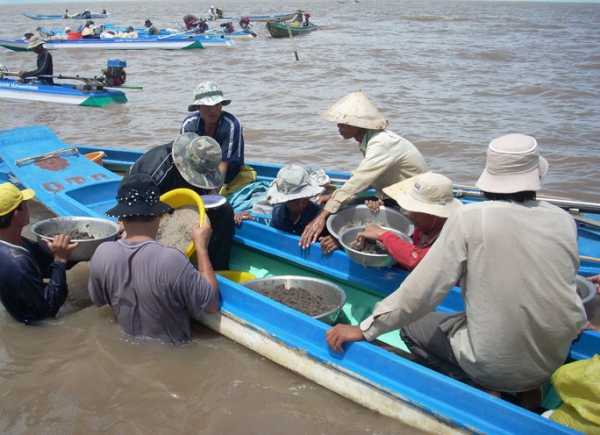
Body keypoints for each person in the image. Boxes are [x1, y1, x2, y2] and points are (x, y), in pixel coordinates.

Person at [326, 133, 587, 411]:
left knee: (412, 328)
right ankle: (530, 391)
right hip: (551, 359)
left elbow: (422, 293)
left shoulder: (471, 218)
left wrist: (365, 329)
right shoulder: (563, 220)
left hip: (494, 365)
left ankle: (481, 386)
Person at [88, 174, 220, 344]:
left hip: (127, 343)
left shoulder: (101, 254)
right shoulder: (171, 260)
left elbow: (99, 301)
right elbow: (210, 306)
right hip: (173, 354)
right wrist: (201, 248)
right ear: (158, 214)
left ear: (121, 218)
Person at [299, 90, 428, 249]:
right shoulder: (371, 141)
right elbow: (368, 179)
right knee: (345, 205)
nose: (339, 126)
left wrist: (322, 215)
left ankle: (341, 242)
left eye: (344, 122)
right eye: (338, 122)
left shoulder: (381, 144)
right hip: (393, 196)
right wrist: (334, 196)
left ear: (359, 123)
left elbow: (359, 180)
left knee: (343, 214)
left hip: (411, 206)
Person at [126, 133, 234, 271]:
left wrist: (210, 193)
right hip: (148, 200)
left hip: (182, 195)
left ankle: (217, 269)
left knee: (224, 210)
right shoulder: (155, 172)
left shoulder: (200, 158)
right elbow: (135, 206)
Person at [0, 183, 78, 324]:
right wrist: (60, 260)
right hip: (34, 325)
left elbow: (46, 263)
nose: (27, 209)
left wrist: (91, 246)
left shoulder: (15, 242)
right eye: (25, 205)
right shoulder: (17, 264)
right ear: (16, 216)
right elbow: (49, 306)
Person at [355, 173, 463, 271]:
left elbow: (419, 260)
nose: (411, 215)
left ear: (435, 214)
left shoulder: (453, 238)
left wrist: (382, 234)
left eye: (417, 211)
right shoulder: (425, 226)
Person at [181, 81, 245, 186]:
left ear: (222, 105)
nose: (213, 110)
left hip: (229, 177)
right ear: (198, 107)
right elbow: (186, 163)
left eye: (216, 104)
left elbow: (224, 164)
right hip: (199, 176)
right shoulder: (189, 125)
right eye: (207, 105)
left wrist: (214, 193)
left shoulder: (232, 125)